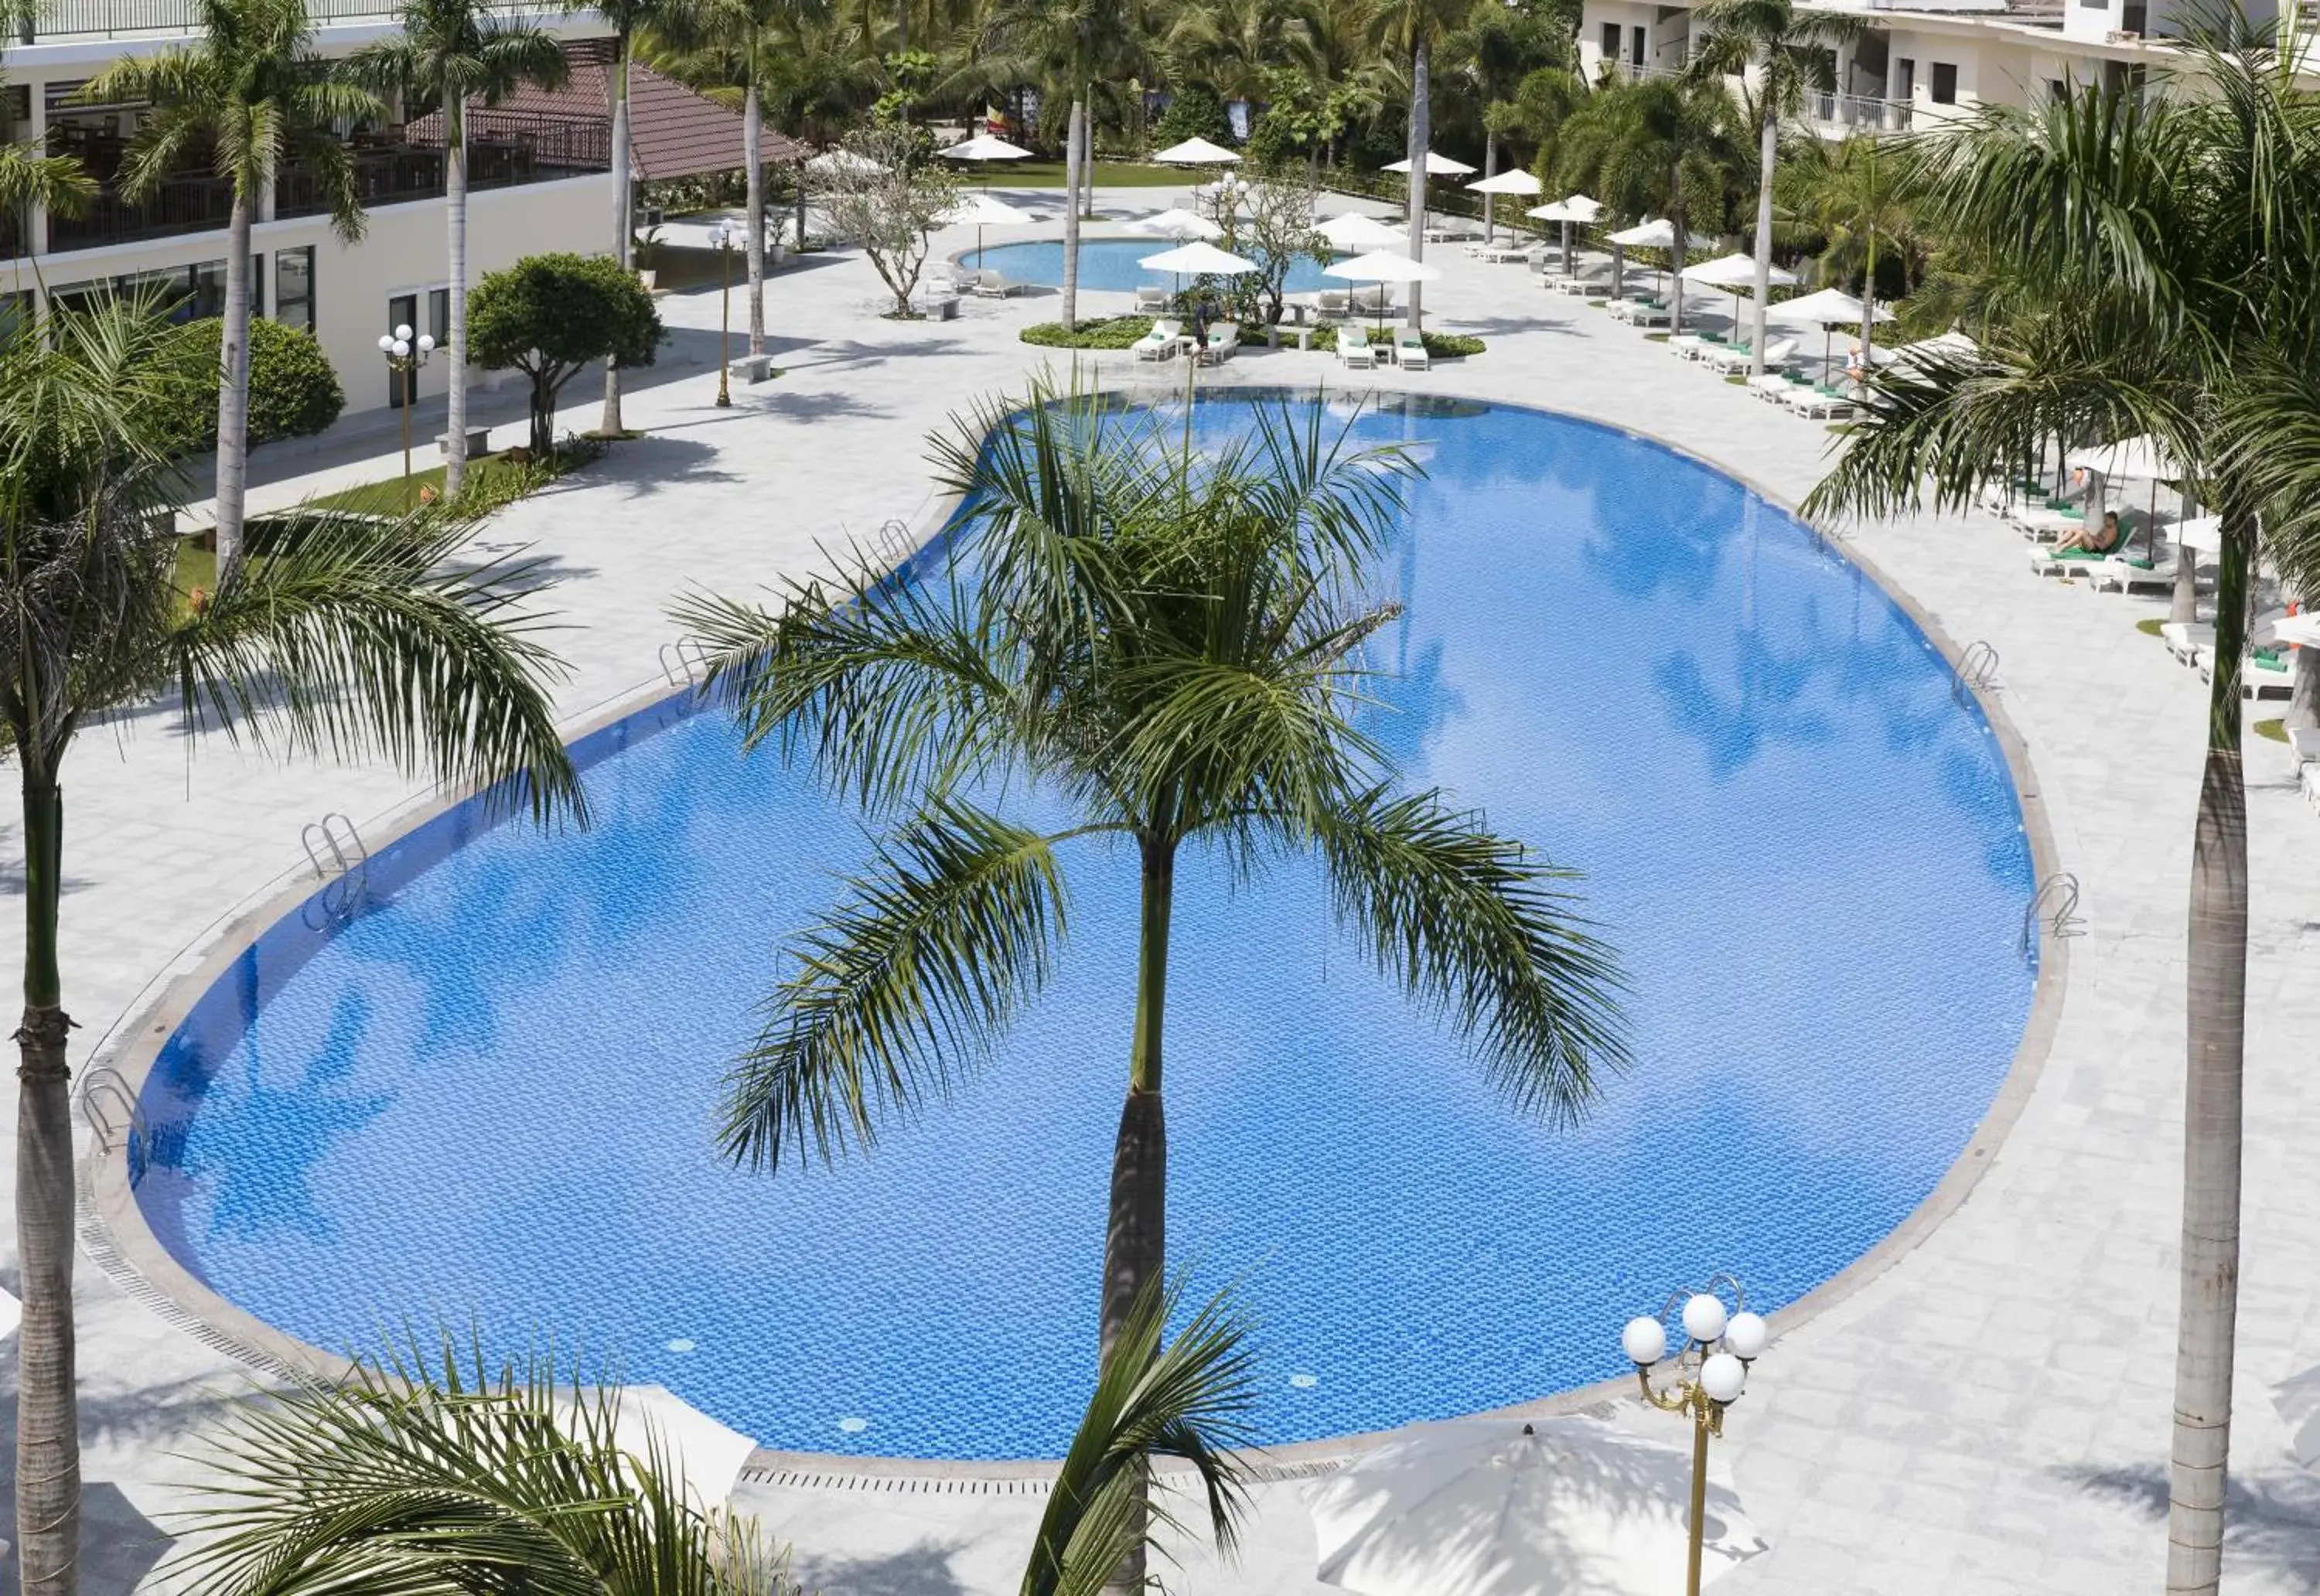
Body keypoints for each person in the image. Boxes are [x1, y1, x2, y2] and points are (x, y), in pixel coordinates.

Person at [2056, 510, 2123, 555]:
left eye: (2106, 520)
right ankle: (2058, 544)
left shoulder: (2113, 532)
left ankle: (2062, 548)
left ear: (2113, 521)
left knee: (2082, 534)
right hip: (2093, 543)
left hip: (2095, 549)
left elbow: (2102, 547)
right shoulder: (2106, 527)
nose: (2105, 521)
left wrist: (2093, 540)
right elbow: (2098, 537)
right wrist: (2091, 536)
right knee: (2076, 529)